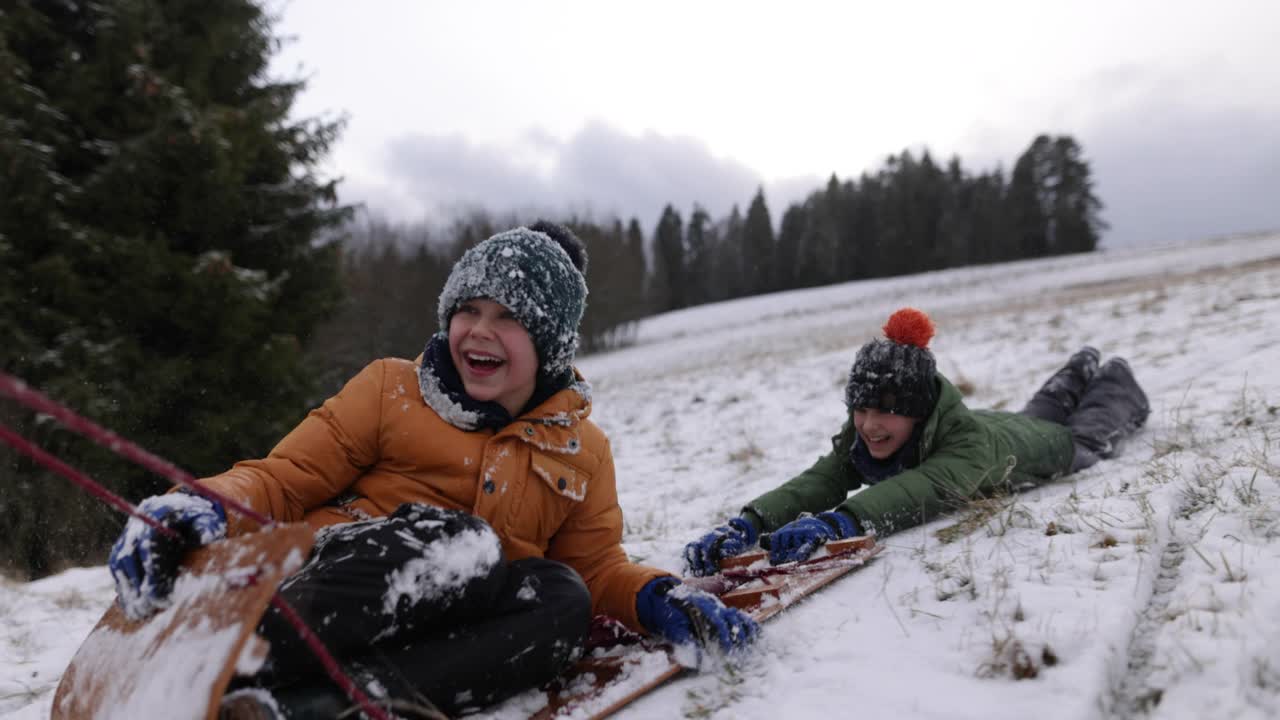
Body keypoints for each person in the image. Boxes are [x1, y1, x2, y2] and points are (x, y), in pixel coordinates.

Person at [108, 222, 758, 719]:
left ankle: (325, 709)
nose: (479, 331)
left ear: (553, 343)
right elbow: (280, 481)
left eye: (508, 318)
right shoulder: (391, 389)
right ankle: (229, 665)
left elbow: (596, 568)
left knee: (562, 596)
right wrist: (204, 505)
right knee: (466, 542)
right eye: (468, 310)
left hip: (431, 636)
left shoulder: (582, 450)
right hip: (333, 582)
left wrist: (656, 596)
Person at [684, 307, 1151, 575]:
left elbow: (923, 487)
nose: (869, 425)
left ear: (919, 411)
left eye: (886, 412)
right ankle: (1078, 366)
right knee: (1039, 408)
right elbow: (826, 476)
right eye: (861, 409)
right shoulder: (871, 431)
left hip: (1049, 448)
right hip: (1005, 423)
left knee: (1085, 428)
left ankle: (1114, 374)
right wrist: (752, 520)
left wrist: (841, 523)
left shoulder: (966, 449)